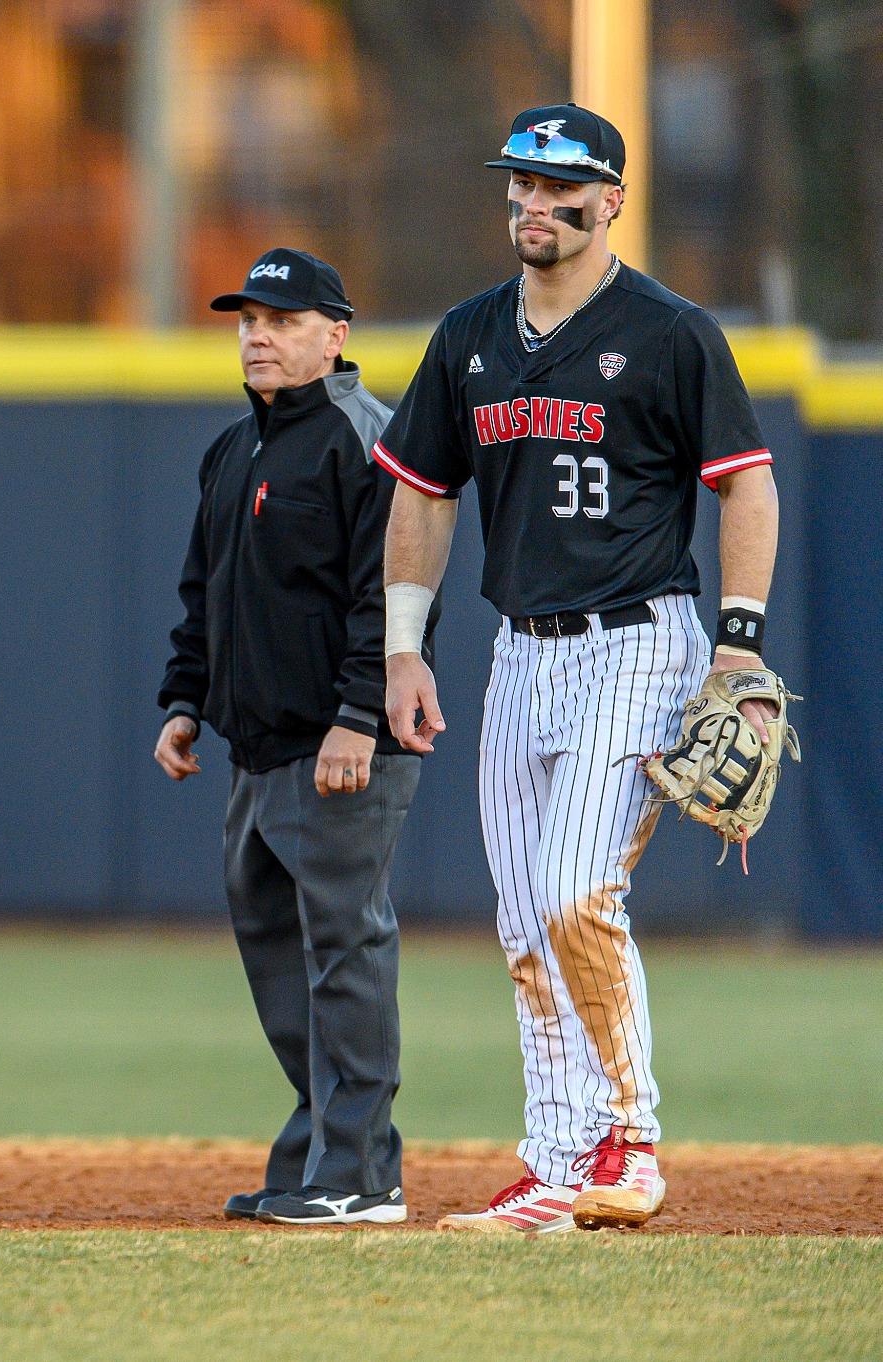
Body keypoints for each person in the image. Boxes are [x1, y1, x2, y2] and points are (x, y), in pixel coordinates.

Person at [374, 105, 779, 1233]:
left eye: (559, 187)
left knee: (569, 891)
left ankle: (629, 1142)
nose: (532, 204)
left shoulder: (667, 330)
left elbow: (745, 484)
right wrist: (402, 648)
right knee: (520, 921)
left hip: (637, 642)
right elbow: (419, 491)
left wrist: (738, 643)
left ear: (609, 201)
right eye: (518, 182)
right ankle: (554, 1164)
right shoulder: (465, 335)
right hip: (520, 650)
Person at [156, 248, 434, 1227]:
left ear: (334, 335)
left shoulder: (366, 439)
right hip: (254, 750)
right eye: (245, 321)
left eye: (278, 320)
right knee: (279, 958)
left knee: (341, 952)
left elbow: (390, 601)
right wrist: (184, 697)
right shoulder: (232, 450)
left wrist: (354, 717)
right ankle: (316, 1150)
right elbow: (206, 590)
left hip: (340, 751)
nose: (256, 336)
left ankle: (361, 1174)